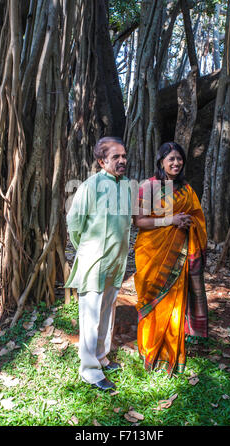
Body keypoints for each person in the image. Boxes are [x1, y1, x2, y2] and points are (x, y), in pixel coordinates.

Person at [133, 141, 208, 377]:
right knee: (152, 301)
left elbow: (197, 217)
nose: (176, 163)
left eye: (179, 159)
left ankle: (170, 354)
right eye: (171, 159)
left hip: (178, 255)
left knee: (175, 305)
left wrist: (189, 222)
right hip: (152, 254)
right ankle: (149, 351)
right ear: (161, 162)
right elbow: (139, 221)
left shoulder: (186, 190)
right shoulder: (149, 187)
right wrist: (171, 220)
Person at [65, 137, 131, 391]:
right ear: (102, 161)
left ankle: (102, 357)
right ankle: (89, 370)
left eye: (124, 156)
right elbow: (74, 224)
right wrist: (89, 248)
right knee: (90, 314)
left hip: (116, 260)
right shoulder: (90, 186)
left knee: (107, 310)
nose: (122, 160)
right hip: (94, 260)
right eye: (116, 157)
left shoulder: (125, 185)